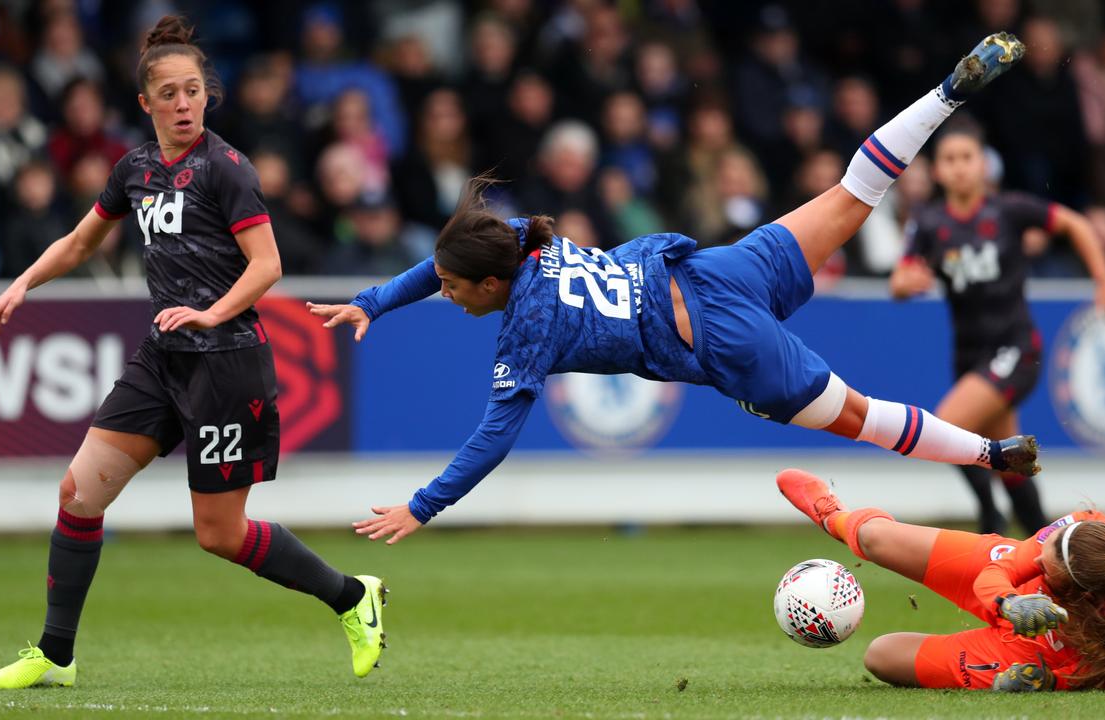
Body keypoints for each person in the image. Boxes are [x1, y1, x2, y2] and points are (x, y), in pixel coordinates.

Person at [310, 34, 1042, 545]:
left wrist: (422, 505)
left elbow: (494, 437)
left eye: (453, 290)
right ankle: (947, 94)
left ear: (492, 283)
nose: (446, 296)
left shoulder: (524, 327)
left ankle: (989, 454)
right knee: (853, 194)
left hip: (724, 342)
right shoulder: (524, 239)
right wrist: (376, 301)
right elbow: (446, 260)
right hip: (714, 269)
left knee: (863, 417)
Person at [0, 16, 386, 690]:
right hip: (164, 359)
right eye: (167, 93)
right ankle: (55, 653)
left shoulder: (226, 169)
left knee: (219, 535)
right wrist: (22, 283)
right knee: (80, 493)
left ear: (208, 94)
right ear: (145, 103)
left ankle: (352, 596)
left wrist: (209, 310)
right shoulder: (135, 169)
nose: (183, 103)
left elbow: (267, 265)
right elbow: (82, 242)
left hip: (227, 362)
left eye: (193, 90)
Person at [889, 125, 1105, 536]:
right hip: (968, 355)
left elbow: (1077, 225)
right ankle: (1044, 541)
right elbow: (900, 278)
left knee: (945, 426)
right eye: (950, 159)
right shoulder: (928, 223)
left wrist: (1104, 280)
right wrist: (907, 283)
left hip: (1015, 346)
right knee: (1010, 460)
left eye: (967, 158)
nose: (959, 168)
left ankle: (989, 517)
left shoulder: (1008, 211)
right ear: (938, 171)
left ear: (983, 165)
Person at [775, 468, 1105, 691]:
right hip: (1014, 589)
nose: (1041, 548)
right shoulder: (1086, 528)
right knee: (873, 538)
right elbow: (1002, 571)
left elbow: (1093, 675)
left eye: (1048, 566)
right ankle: (833, 517)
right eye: (1049, 542)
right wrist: (1009, 602)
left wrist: (1047, 682)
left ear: (1079, 592)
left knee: (880, 656)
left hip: (1031, 652)